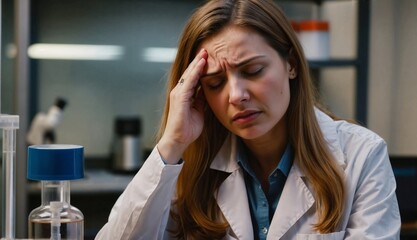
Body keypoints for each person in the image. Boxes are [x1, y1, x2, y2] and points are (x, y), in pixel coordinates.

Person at [96, 0, 401, 239]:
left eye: (253, 71)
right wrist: (172, 143)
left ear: (291, 65)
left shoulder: (362, 155)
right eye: (215, 83)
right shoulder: (189, 164)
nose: (236, 95)